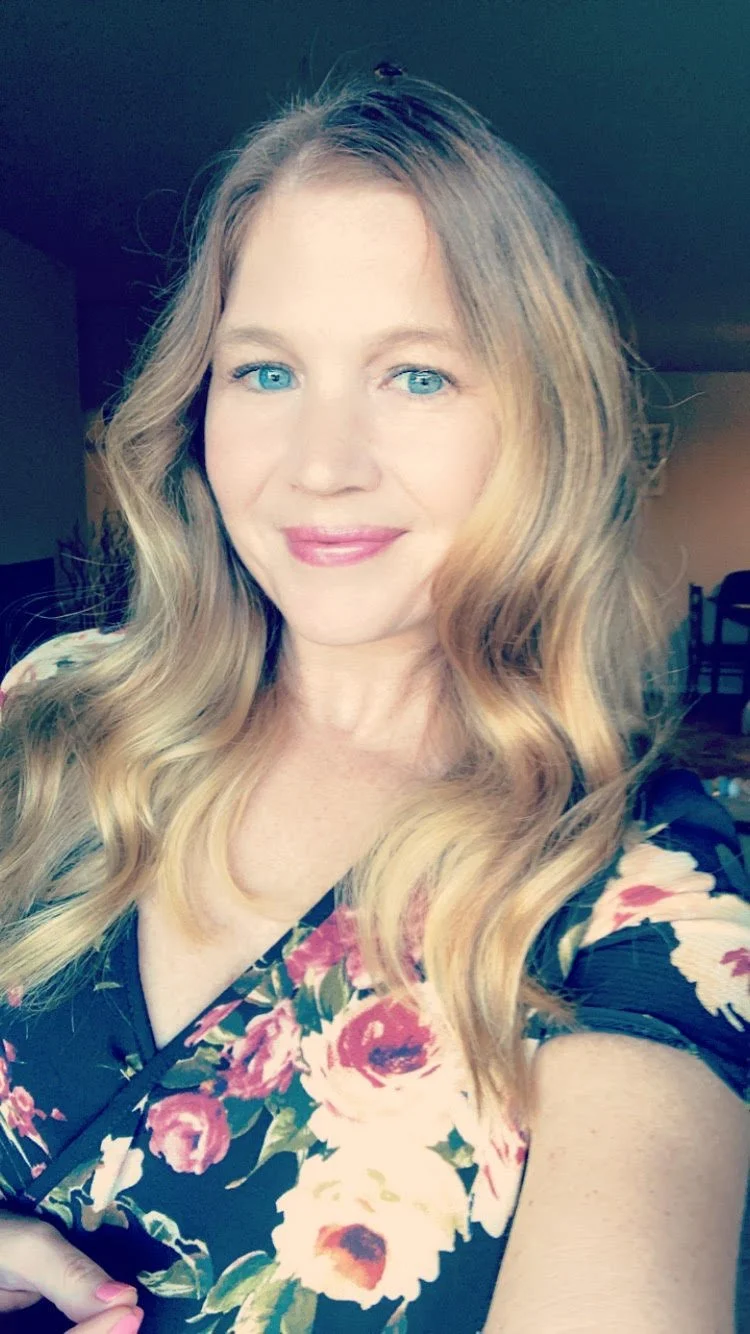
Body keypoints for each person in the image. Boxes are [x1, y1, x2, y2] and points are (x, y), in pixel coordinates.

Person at [0, 69, 748, 1334]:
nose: (322, 464)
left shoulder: (648, 884)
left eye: (416, 375)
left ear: (541, 419)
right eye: (266, 372)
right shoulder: (52, 717)